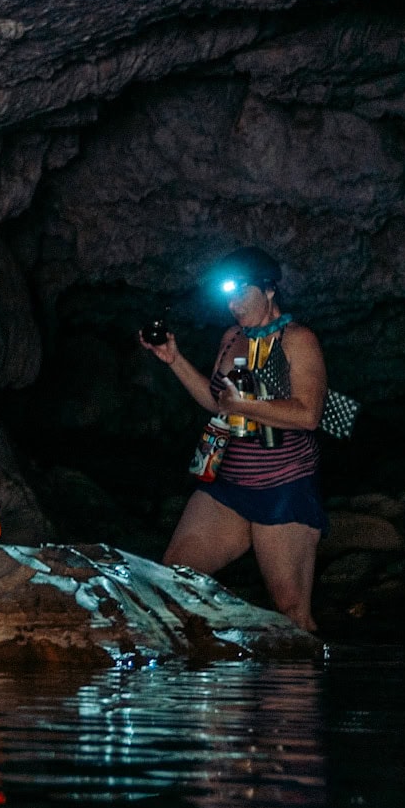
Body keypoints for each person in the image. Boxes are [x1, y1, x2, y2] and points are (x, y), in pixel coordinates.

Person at [140, 246, 327, 632]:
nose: (234, 303)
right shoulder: (231, 338)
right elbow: (217, 403)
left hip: (282, 488)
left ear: (270, 290)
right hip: (229, 486)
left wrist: (246, 404)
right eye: (228, 294)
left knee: (291, 613)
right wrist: (173, 359)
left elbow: (308, 415)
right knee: (171, 579)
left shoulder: (297, 340)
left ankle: (301, 688)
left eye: (242, 292)